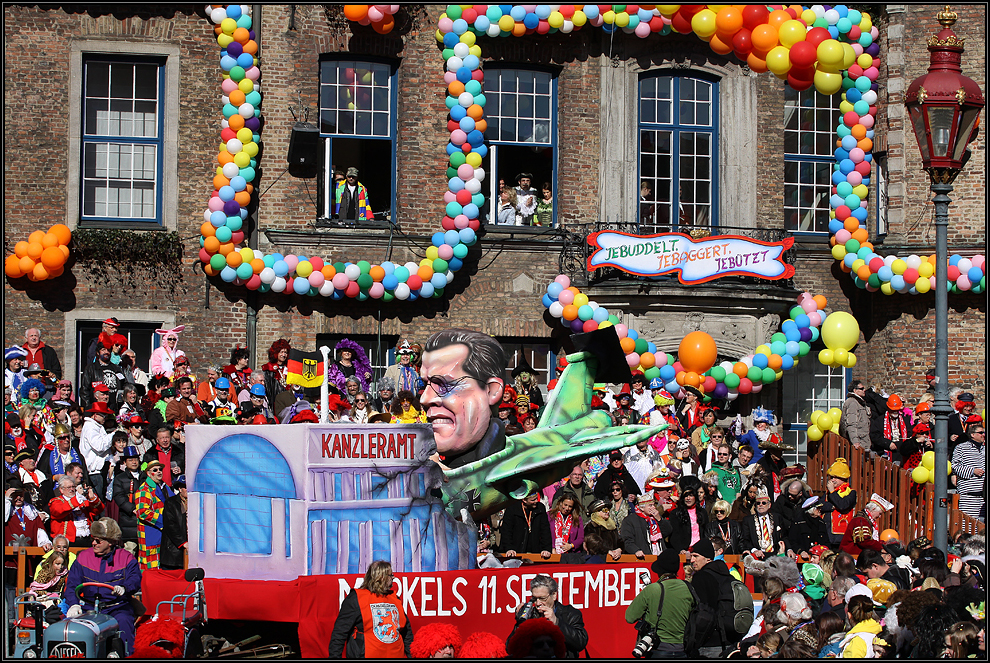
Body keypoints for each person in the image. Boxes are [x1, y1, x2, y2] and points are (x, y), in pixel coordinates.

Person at [65, 518, 142, 655]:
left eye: (98, 540)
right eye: (93, 539)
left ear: (111, 541)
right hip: (89, 608)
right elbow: (72, 585)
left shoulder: (126, 558)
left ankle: (127, 655)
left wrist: (125, 588)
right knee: (69, 626)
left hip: (117, 607)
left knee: (124, 622)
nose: (94, 543)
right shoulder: (83, 557)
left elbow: (135, 579)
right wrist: (73, 604)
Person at [328, 560, 410, 657]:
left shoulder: (395, 598)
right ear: (381, 577)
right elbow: (340, 633)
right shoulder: (356, 598)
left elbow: (407, 632)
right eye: (390, 575)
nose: (393, 578)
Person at [625, 549, 696, 658]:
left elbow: (630, 617)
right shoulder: (688, 588)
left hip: (658, 649)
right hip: (682, 649)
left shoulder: (652, 589)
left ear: (660, 571)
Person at [508, 574, 588, 657]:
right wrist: (520, 623)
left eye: (542, 598)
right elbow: (509, 648)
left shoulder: (569, 613)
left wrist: (557, 622)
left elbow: (581, 642)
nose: (538, 603)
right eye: (534, 599)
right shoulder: (530, 615)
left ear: (554, 595)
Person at [690, 537, 739, 657]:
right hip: (730, 638)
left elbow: (699, 611)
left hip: (708, 641)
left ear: (707, 558)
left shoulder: (701, 577)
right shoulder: (727, 575)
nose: (691, 560)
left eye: (695, 556)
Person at [134, 459, 176, 570]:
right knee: (150, 566)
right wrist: (165, 521)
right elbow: (142, 512)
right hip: (150, 532)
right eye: (155, 470)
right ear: (148, 473)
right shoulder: (144, 490)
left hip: (164, 532)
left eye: (160, 469)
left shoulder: (165, 487)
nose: (159, 472)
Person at [498, 489, 552, 559]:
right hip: (516, 550)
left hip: (535, 551)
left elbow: (545, 530)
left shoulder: (540, 508)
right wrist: (509, 548)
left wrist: (546, 549)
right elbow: (507, 531)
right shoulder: (512, 509)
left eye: (536, 499)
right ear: (524, 500)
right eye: (533, 500)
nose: (536, 501)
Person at [622, 492, 672, 558]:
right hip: (643, 557)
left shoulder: (655, 518)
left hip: (659, 556)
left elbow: (668, 531)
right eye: (650, 505)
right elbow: (627, 540)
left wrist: (659, 519)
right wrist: (636, 550)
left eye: (654, 505)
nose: (654, 507)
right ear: (642, 508)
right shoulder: (630, 520)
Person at [952, 423, 985, 521]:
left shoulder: (985, 449)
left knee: (982, 527)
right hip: (968, 496)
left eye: (984, 432)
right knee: (968, 524)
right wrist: (972, 471)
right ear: (972, 434)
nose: (983, 435)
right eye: (980, 433)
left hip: (983, 497)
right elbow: (954, 466)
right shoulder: (961, 448)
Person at [667, 476, 708, 554]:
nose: (688, 498)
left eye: (691, 495)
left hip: (699, 550)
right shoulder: (675, 513)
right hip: (684, 551)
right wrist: (680, 549)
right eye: (686, 496)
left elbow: (705, 531)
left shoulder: (702, 512)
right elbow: (674, 535)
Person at [741, 487, 785, 559]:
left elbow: (784, 536)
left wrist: (788, 549)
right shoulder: (748, 520)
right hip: (758, 555)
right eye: (758, 503)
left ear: (769, 505)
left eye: (764, 503)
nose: (761, 505)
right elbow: (745, 540)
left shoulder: (777, 518)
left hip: (775, 554)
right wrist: (754, 550)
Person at [112, 446, 144, 544]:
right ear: (125, 462)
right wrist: (132, 509)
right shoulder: (120, 478)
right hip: (129, 519)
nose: (134, 462)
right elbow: (119, 496)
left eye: (136, 459)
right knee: (131, 548)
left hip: (146, 517)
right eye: (130, 460)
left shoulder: (146, 476)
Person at [160, 474, 187, 570]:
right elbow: (170, 525)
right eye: (185, 487)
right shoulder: (171, 503)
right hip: (173, 550)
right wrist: (183, 542)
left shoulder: (198, 503)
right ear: (180, 489)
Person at [840, 380, 871, 450]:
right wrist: (855, 442)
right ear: (855, 390)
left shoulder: (860, 403)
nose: (864, 390)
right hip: (859, 445)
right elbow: (851, 424)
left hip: (864, 442)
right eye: (861, 388)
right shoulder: (852, 403)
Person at [709, 440, 742, 505]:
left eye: (725, 454)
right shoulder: (712, 472)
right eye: (719, 454)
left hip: (733, 507)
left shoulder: (734, 472)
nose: (721, 456)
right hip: (721, 507)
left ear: (730, 456)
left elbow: (738, 491)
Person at [261, 338, 290, 409]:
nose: (283, 355)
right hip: (275, 404)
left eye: (285, 352)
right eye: (281, 352)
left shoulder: (289, 368)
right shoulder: (269, 369)